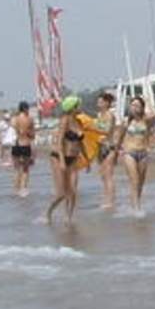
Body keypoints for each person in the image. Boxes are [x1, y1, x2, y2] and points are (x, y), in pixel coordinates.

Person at [45, 95, 95, 224]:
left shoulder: (78, 122)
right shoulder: (65, 120)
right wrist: (62, 160)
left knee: (73, 191)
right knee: (61, 193)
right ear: (72, 107)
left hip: (73, 158)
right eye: (78, 105)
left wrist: (87, 160)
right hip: (58, 157)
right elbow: (60, 141)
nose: (80, 107)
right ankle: (48, 212)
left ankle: (68, 218)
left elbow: (81, 143)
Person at [118, 95, 155, 215]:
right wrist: (117, 151)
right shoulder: (126, 122)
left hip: (143, 153)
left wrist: (147, 101)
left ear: (142, 108)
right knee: (134, 180)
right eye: (132, 105)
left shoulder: (146, 121)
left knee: (140, 182)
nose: (134, 107)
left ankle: (135, 202)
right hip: (129, 153)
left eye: (137, 105)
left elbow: (154, 114)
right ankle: (136, 208)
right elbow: (119, 138)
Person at [92, 91, 122, 211]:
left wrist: (92, 129)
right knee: (103, 175)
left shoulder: (110, 115)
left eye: (100, 101)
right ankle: (106, 199)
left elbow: (108, 131)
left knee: (109, 175)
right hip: (99, 147)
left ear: (106, 103)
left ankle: (111, 202)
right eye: (98, 101)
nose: (98, 103)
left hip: (109, 147)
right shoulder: (99, 115)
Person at [8, 100, 37, 196]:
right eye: (28, 108)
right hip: (25, 144)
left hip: (15, 145)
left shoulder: (14, 119)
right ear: (25, 109)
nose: (28, 110)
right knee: (25, 169)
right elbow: (33, 135)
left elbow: (11, 132)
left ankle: (16, 190)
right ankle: (23, 190)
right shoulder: (29, 119)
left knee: (16, 169)